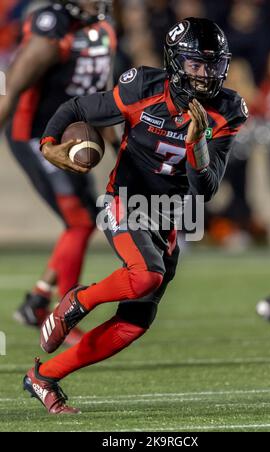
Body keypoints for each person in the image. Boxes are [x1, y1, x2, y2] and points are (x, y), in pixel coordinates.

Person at [23, 17, 248, 414]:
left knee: (134, 323)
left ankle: (43, 377)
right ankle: (78, 301)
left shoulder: (227, 110)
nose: (204, 75)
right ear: (176, 63)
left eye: (213, 66)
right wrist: (48, 145)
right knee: (146, 274)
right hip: (126, 200)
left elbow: (207, 190)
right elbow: (77, 106)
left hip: (172, 217)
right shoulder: (142, 87)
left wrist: (197, 149)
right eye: (196, 64)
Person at [0, 0, 117, 343]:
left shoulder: (103, 24)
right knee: (80, 221)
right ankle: (61, 317)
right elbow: (12, 89)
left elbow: (101, 92)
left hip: (74, 135)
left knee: (85, 217)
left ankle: (39, 299)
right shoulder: (52, 26)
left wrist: (122, 147)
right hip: (38, 136)